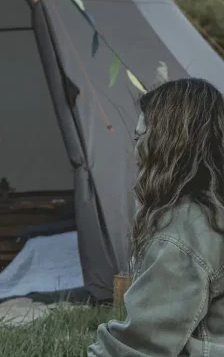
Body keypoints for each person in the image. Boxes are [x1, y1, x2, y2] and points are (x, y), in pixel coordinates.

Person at [88, 78, 224, 356]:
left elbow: (140, 345)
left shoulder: (184, 225)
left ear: (167, 142)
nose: (136, 152)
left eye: (140, 137)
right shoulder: (215, 209)